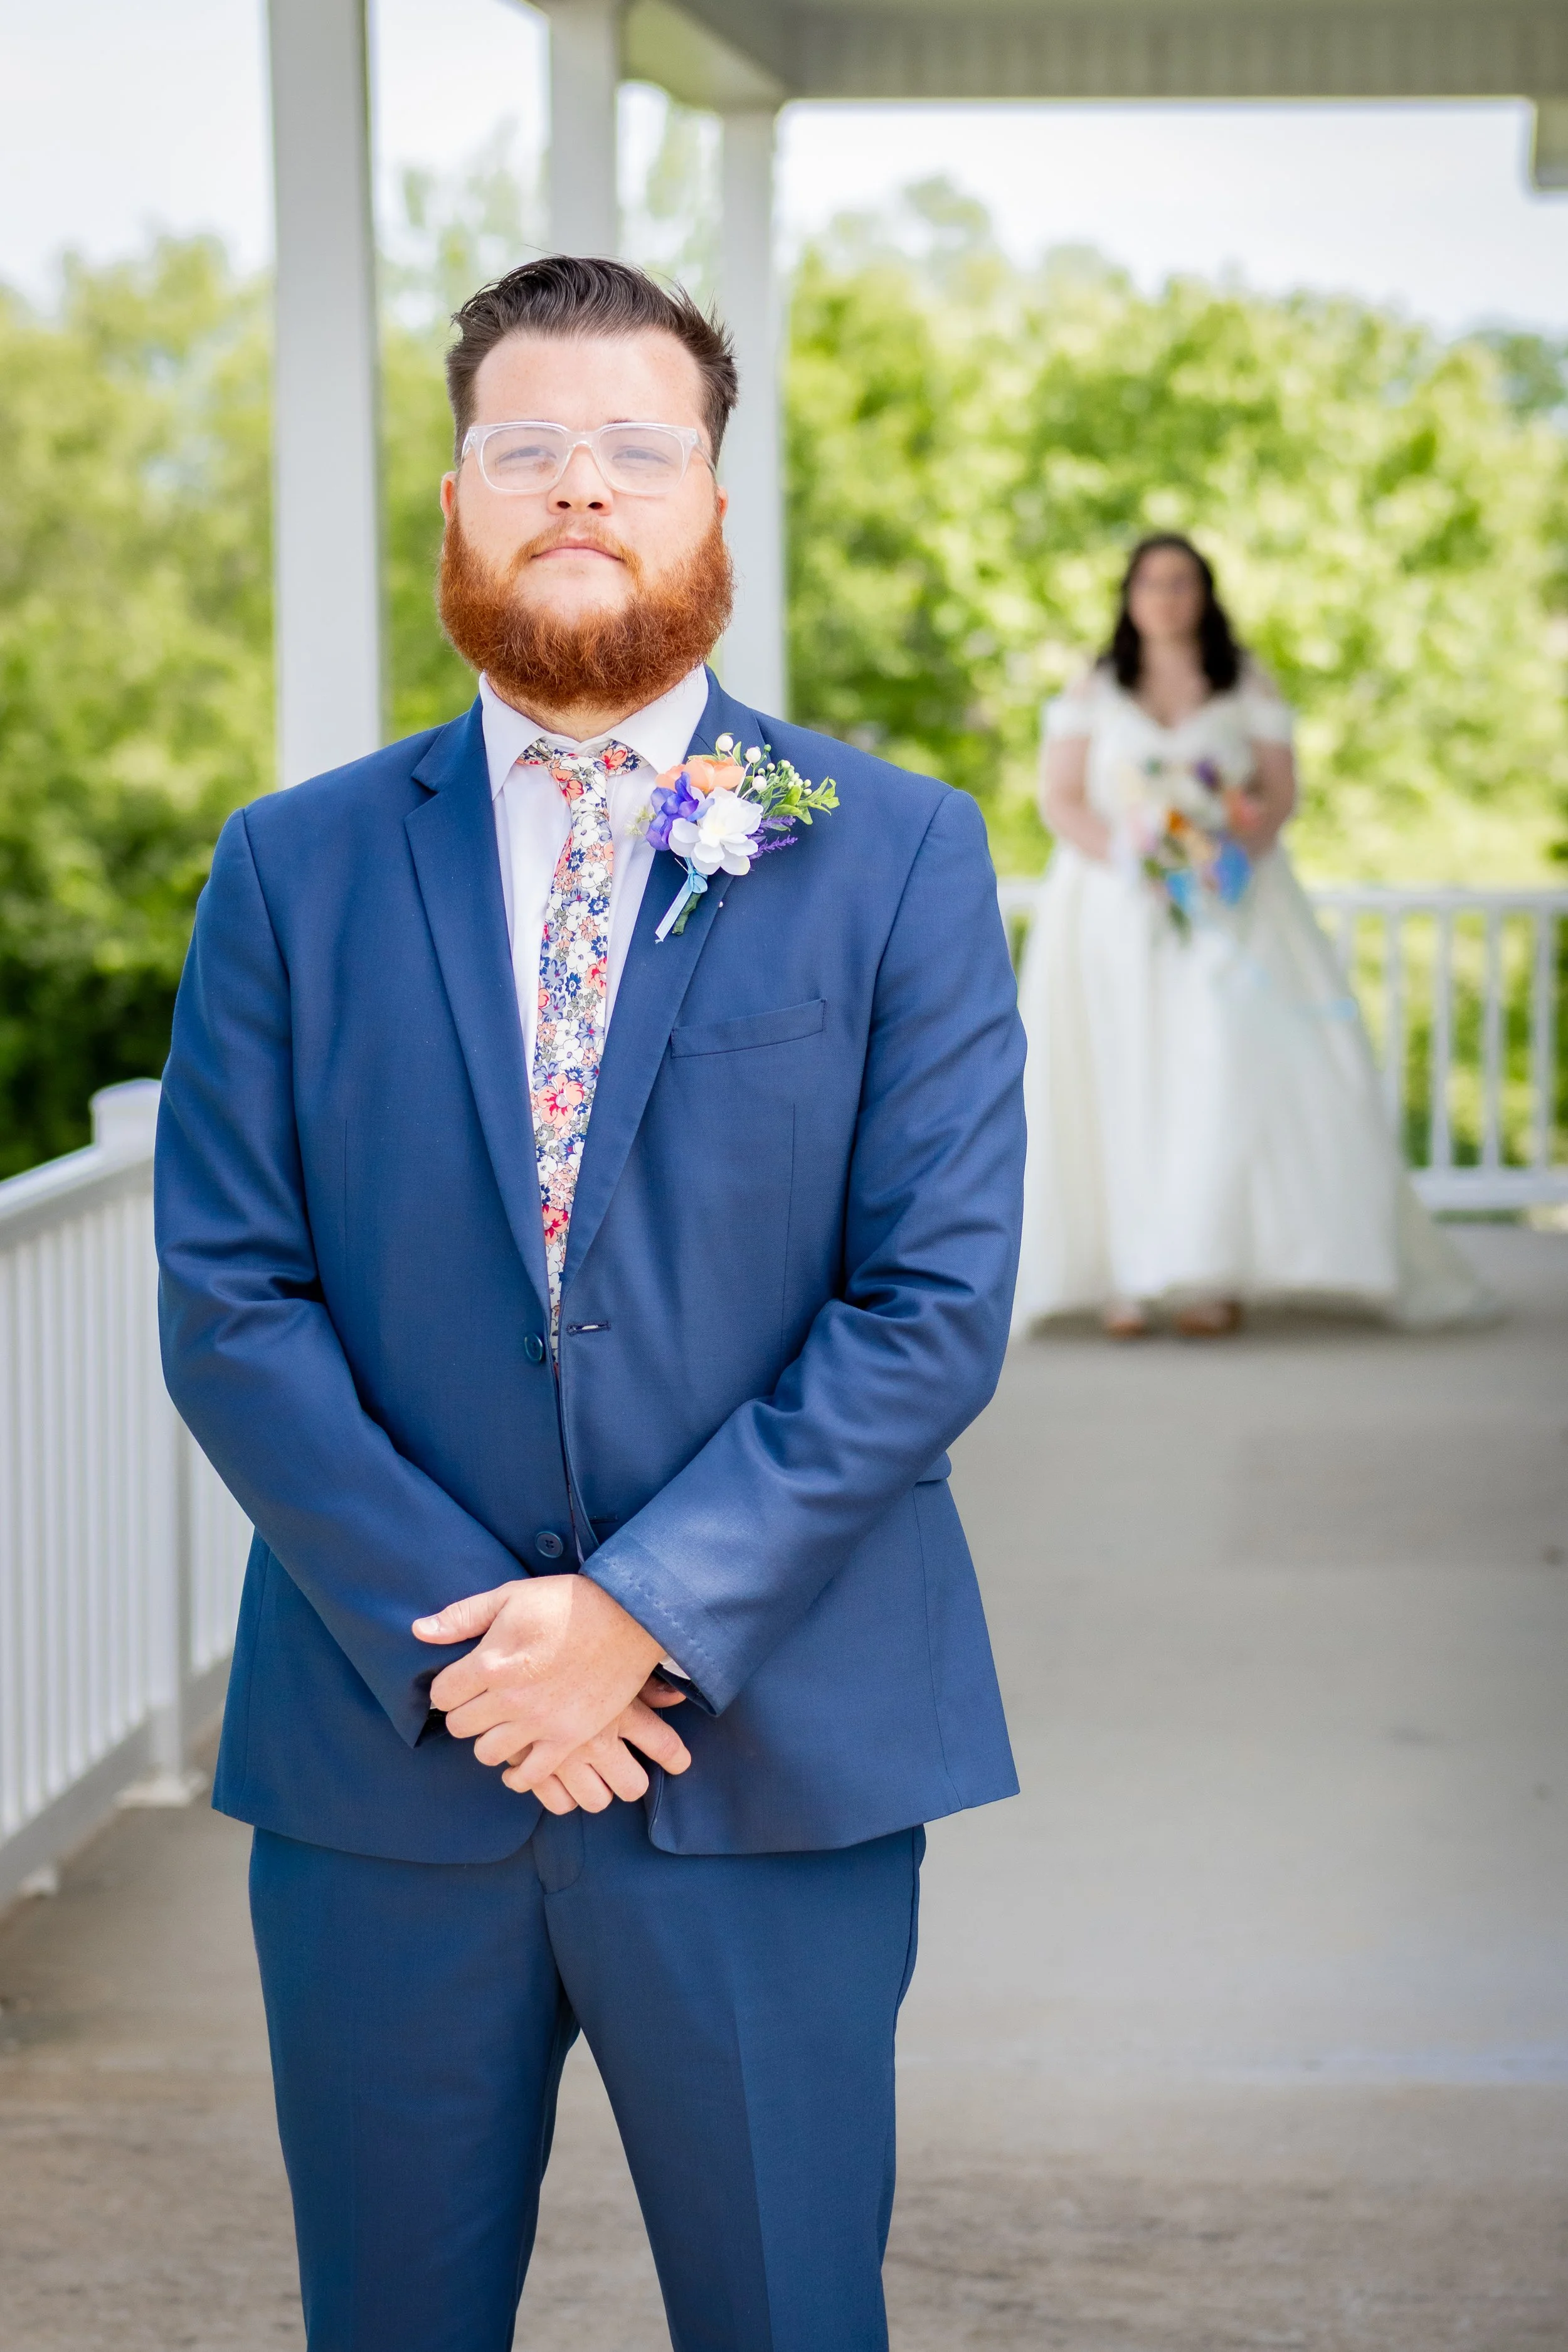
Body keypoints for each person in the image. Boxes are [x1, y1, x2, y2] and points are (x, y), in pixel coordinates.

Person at [154, 256, 1025, 2352]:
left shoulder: (894, 853)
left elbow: (931, 1303)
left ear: (715, 506)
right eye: (526, 447)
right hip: (387, 1770)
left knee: (789, 2321)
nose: (580, 488)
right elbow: (228, 1298)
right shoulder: (294, 868)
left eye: (636, 449)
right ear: (456, 506)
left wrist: (633, 1621)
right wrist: (483, 1659)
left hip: (773, 1757)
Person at [1014, 532, 1488, 1338]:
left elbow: (1279, 790)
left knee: (1218, 1077)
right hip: (1109, 916)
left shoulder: (1243, 681)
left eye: (1182, 581)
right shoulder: (1095, 685)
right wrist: (1133, 857)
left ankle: (1207, 1274)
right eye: (1151, 582)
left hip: (1231, 907)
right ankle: (1123, 1280)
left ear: (1204, 594)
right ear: (1129, 597)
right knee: (1119, 1076)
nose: (1165, 596)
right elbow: (1060, 798)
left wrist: (1219, 858)